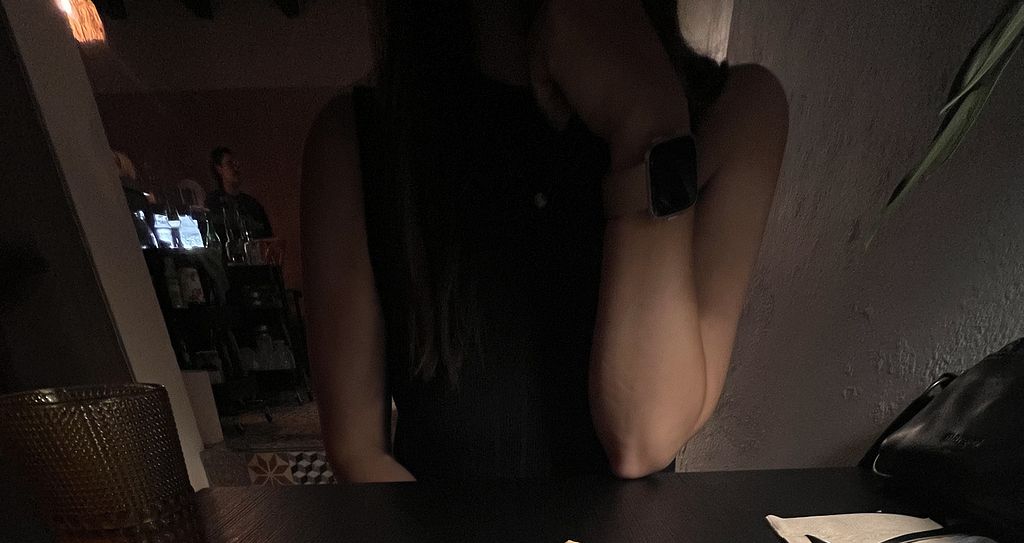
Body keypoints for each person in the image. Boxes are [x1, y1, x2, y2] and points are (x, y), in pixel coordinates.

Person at [301, 0, 788, 482]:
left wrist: (647, 124)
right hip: (433, 537)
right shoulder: (354, 139)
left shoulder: (736, 111)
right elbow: (358, 453)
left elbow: (642, 441)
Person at [207, 147, 273, 241]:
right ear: (219, 169)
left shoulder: (253, 205)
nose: (235, 167)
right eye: (229, 163)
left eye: (236, 163)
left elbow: (268, 237)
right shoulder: (213, 204)